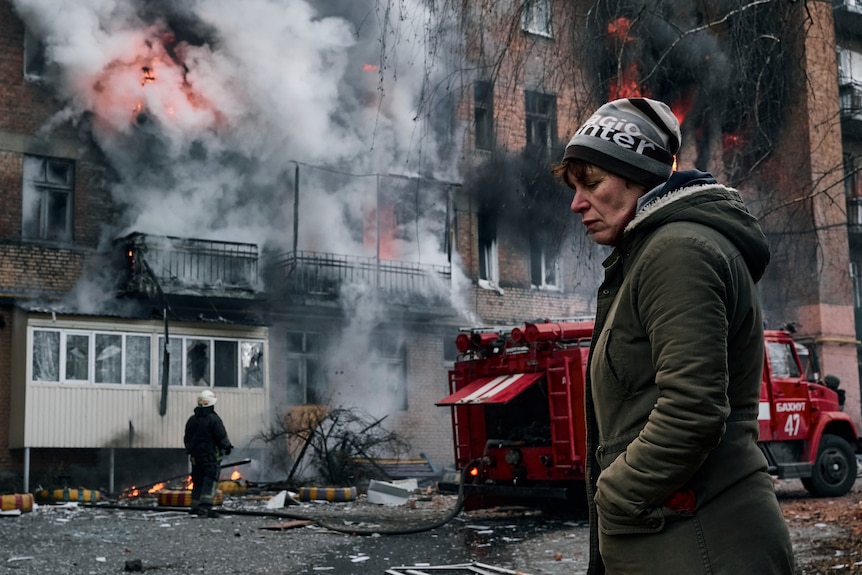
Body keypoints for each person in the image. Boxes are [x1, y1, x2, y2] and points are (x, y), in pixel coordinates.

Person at [551, 97, 795, 574]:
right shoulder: (655, 250)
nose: (577, 202)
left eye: (592, 182)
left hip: (700, 540)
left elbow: (694, 408)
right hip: (684, 534)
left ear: (637, 173)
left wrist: (617, 496)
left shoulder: (678, 251)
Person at [184, 389, 233, 518]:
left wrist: (190, 451)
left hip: (195, 458)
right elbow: (221, 436)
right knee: (209, 481)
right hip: (211, 458)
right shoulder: (213, 419)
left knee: (198, 481)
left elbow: (187, 439)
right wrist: (227, 447)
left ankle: (195, 506)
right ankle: (205, 507)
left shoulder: (192, 420)